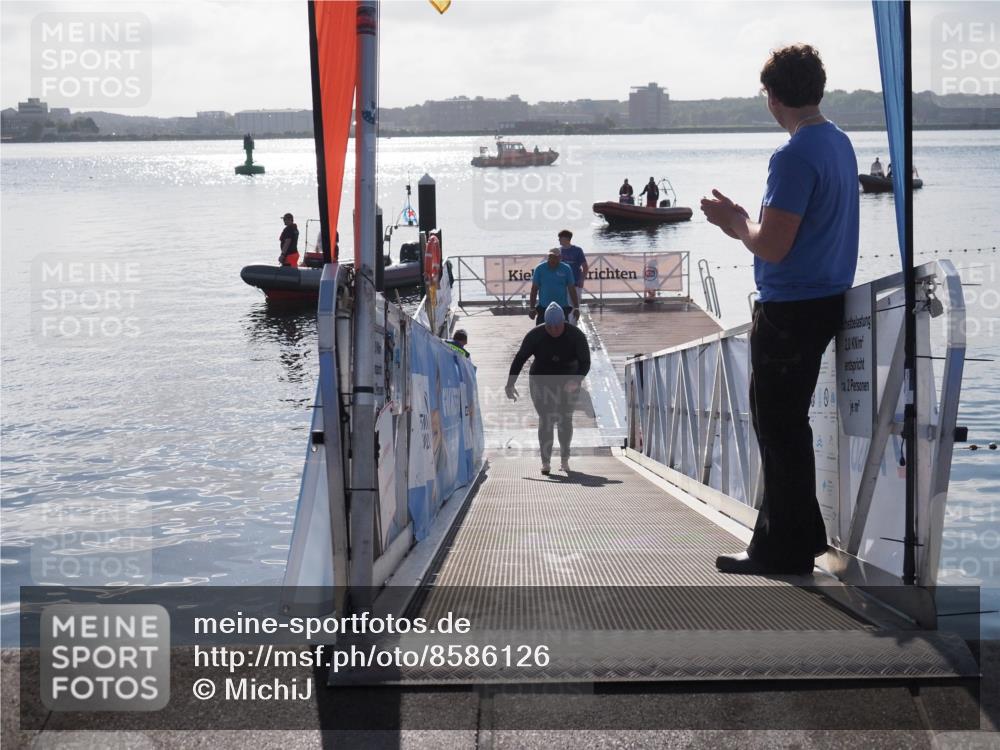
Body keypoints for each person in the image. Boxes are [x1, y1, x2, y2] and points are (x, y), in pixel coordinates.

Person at [700, 43, 858, 576]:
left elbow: (772, 246)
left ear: (773, 98)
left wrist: (734, 222)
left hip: (791, 309)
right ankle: (799, 537)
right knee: (789, 426)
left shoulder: (792, 156)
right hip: (827, 298)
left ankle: (780, 549)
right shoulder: (839, 142)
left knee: (779, 427)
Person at [506, 302, 591, 474]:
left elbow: (585, 362)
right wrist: (510, 383)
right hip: (541, 378)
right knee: (546, 419)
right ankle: (546, 462)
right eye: (549, 327)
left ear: (564, 322)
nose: (553, 331)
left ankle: (565, 460)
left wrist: (577, 380)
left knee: (564, 419)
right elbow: (520, 358)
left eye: (557, 327)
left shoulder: (576, 335)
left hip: (568, 379)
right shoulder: (535, 335)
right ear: (545, 324)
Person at [528, 248, 578, 324]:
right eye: (550, 257)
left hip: (562, 308)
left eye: (555, 257)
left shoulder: (566, 269)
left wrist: (576, 308)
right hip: (543, 308)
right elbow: (534, 289)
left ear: (560, 258)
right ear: (548, 257)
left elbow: (572, 289)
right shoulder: (539, 269)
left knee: (562, 334)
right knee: (542, 334)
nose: (552, 259)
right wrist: (532, 308)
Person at [557, 229, 588, 322]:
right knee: (563, 307)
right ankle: (565, 324)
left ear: (566, 238)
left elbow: (585, 267)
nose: (558, 240)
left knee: (575, 306)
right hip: (562, 285)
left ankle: (574, 326)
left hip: (575, 283)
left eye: (560, 238)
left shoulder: (577, 250)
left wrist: (582, 280)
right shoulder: (558, 252)